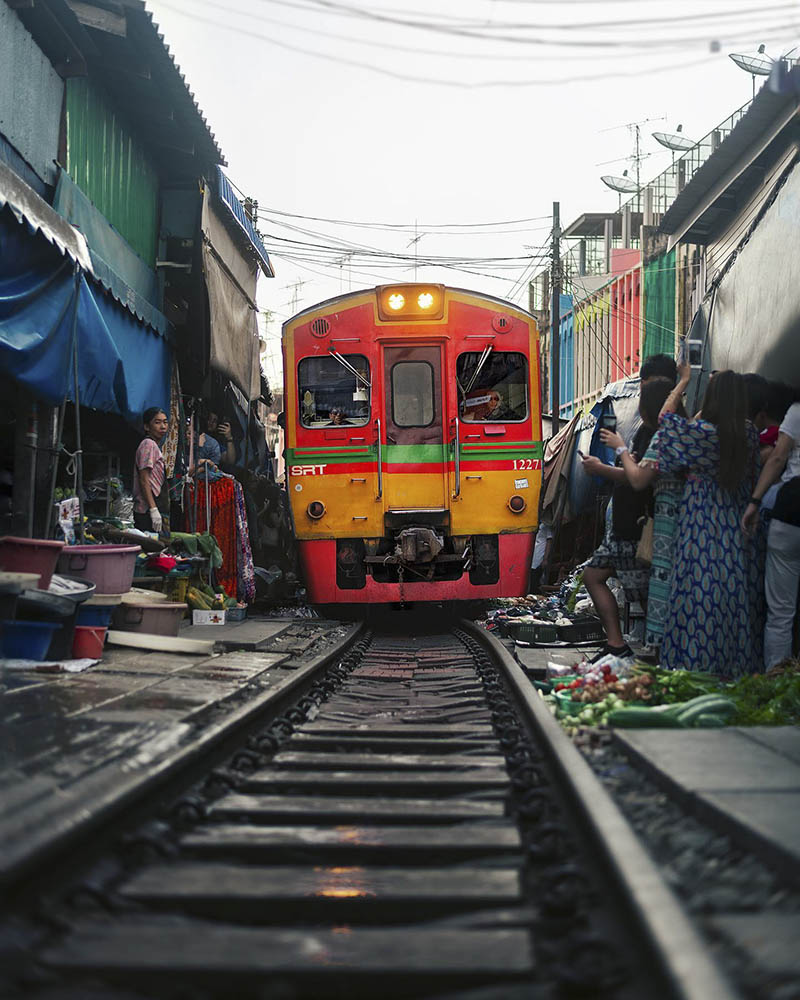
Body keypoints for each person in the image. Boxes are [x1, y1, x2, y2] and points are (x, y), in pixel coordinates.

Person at [646, 370, 761, 676]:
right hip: (732, 522)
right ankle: (732, 667)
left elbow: (665, 418)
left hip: (699, 522)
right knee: (730, 593)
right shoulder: (747, 433)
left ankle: (694, 663)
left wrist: (683, 381)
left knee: (696, 592)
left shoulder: (703, 433)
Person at [601, 375, 687, 656]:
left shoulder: (663, 436)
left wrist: (619, 448)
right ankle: (664, 651)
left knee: (656, 593)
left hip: (657, 523)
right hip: (663, 521)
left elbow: (638, 479)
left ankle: (664, 651)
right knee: (659, 592)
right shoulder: (687, 432)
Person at [580, 389, 663, 662]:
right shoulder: (646, 431)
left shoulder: (656, 435)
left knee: (645, 595)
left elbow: (637, 477)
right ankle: (617, 643)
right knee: (594, 576)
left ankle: (660, 654)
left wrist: (604, 464)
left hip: (635, 526)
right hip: (623, 526)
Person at [742, 389, 800, 669]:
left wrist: (754, 501)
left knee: (781, 612)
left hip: (791, 510)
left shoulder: (797, 411)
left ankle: (776, 684)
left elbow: (778, 459)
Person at [133, 407, 169, 535]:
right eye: (157, 422)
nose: (163, 426)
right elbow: (144, 479)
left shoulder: (155, 446)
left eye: (165, 422)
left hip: (152, 506)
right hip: (146, 509)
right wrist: (153, 509)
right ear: (147, 427)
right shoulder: (148, 444)